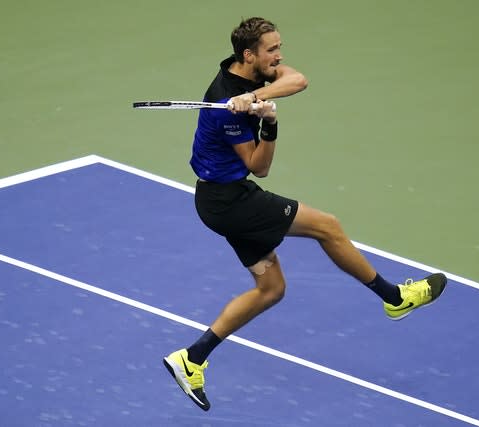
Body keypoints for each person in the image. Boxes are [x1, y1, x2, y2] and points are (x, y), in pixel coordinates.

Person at [162, 17, 447, 411]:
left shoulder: (248, 75)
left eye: (279, 47)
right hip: (230, 202)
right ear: (249, 55)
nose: (279, 56)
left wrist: (259, 96)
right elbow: (260, 166)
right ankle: (394, 297)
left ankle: (191, 358)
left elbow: (298, 80)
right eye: (272, 50)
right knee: (327, 227)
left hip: (223, 198)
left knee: (271, 289)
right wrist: (270, 123)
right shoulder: (223, 106)